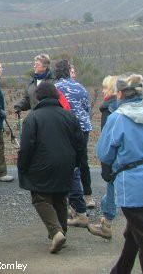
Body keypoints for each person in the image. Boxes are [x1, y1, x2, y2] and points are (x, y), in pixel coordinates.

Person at [96, 74, 143, 274]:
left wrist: (108, 166)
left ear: (119, 94)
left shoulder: (117, 118)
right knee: (134, 232)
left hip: (131, 184)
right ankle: (120, 270)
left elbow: (104, 152)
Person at [17, 82, 84, 253]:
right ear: (56, 95)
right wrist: (75, 163)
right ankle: (62, 233)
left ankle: (56, 232)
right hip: (66, 164)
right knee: (60, 197)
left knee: (41, 198)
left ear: (38, 97)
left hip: (41, 165)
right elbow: (80, 144)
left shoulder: (32, 118)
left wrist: (22, 167)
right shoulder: (69, 116)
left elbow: (26, 148)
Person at [54, 59, 94, 228]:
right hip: (83, 129)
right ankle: (80, 201)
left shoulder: (55, 88)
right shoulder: (80, 87)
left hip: (66, 131)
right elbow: (87, 108)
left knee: (71, 169)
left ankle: (79, 211)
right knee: (80, 163)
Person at [88, 75, 119, 239]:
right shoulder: (120, 106)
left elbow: (108, 140)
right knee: (113, 190)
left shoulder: (110, 110)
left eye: (106, 88)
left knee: (112, 187)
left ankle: (107, 224)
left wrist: (106, 165)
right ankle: (107, 216)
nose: (103, 91)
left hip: (114, 159)